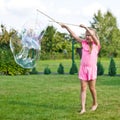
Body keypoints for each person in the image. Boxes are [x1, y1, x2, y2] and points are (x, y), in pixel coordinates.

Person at [60, 23, 100, 114]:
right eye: (86, 35)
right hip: (83, 69)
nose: (88, 36)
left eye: (89, 35)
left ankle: (95, 103)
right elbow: (74, 35)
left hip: (92, 69)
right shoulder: (83, 43)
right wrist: (66, 27)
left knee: (92, 88)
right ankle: (83, 108)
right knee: (83, 88)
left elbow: (93, 36)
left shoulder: (96, 45)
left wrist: (86, 27)